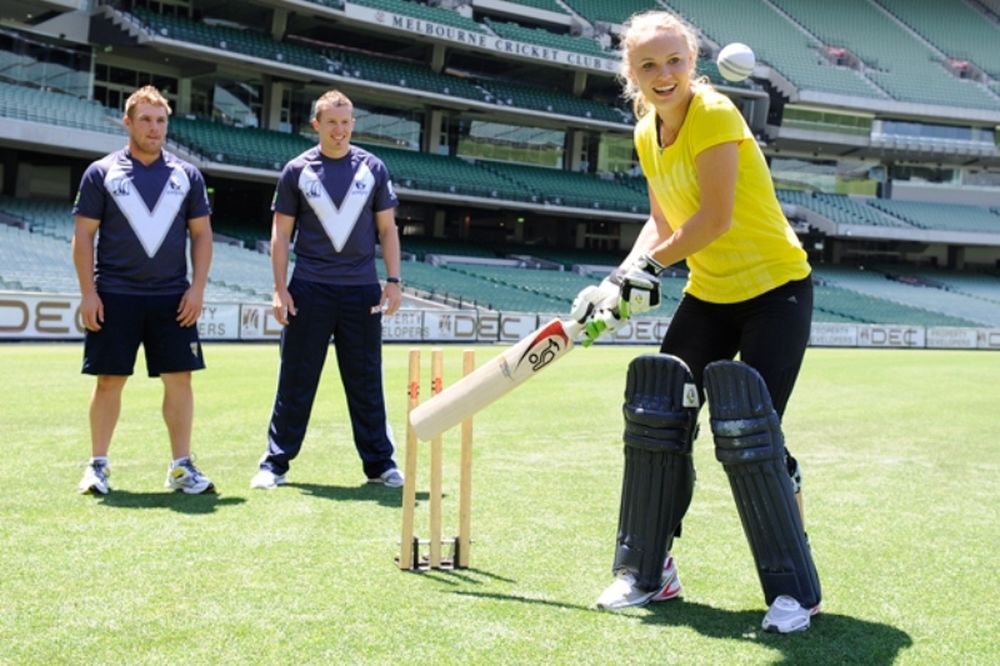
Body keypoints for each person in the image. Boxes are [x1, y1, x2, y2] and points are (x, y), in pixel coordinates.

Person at [571, 11, 821, 632]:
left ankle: (795, 588)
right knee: (659, 417)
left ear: (694, 62)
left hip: (775, 290)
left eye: (674, 61)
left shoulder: (713, 114)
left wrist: (649, 267)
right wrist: (616, 279)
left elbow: (713, 219)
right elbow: (661, 223)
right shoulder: (644, 130)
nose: (663, 75)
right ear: (631, 74)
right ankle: (650, 571)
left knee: (751, 434)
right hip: (711, 293)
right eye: (648, 66)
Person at [250, 89, 404, 490]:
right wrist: (279, 289)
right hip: (309, 289)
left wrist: (393, 281)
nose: (340, 130)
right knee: (296, 378)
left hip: (361, 291)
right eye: (332, 122)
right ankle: (274, 464)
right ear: (316, 124)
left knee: (366, 379)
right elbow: (280, 235)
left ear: (354, 123)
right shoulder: (296, 170)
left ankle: (380, 465)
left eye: (346, 121)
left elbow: (387, 229)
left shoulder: (374, 168)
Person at [73, 85, 215, 496]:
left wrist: (197, 289)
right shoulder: (101, 173)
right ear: (128, 122)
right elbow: (83, 236)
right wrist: (88, 292)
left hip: (173, 298)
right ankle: (97, 466)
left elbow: (202, 236)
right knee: (108, 381)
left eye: (161, 121)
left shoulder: (187, 176)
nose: (155, 129)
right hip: (115, 294)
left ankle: (181, 468)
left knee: (180, 379)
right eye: (146, 120)